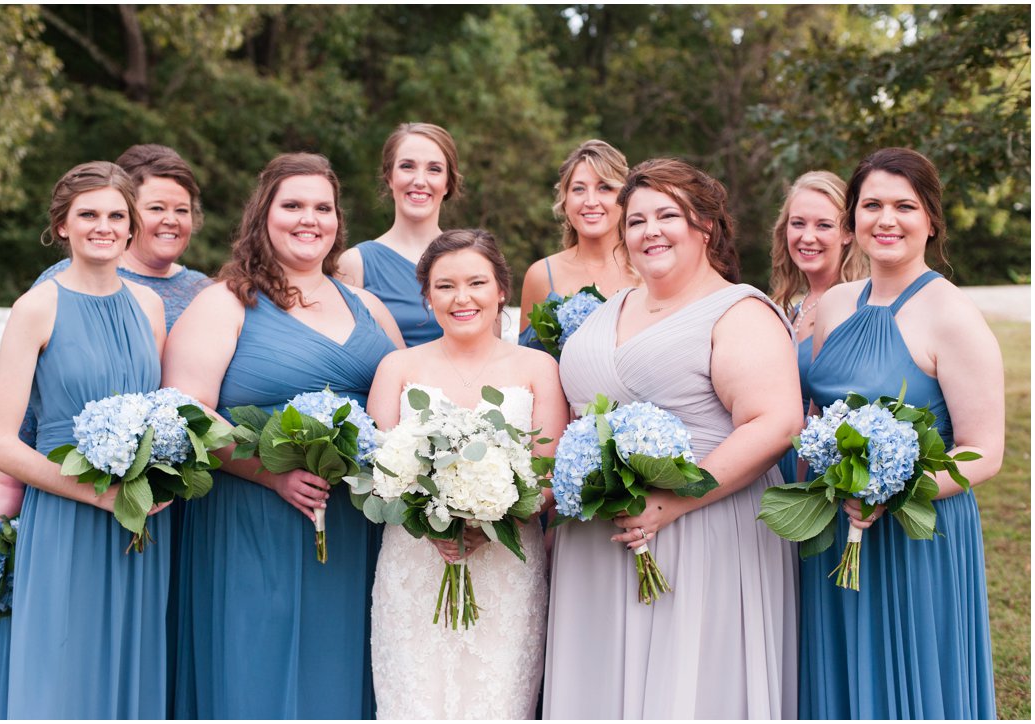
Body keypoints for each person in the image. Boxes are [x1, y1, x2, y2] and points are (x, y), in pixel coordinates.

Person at [544, 158, 803, 718]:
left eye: (668, 215)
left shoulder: (738, 311)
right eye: (636, 221)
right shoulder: (607, 310)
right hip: (597, 542)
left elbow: (776, 423)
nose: (649, 231)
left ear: (705, 226)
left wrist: (672, 503)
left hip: (701, 529)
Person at [163, 153, 402, 719]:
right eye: (292, 205)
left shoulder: (366, 305)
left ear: (338, 221)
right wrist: (269, 473)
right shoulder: (227, 302)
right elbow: (185, 408)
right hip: (253, 513)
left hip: (351, 521)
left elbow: (410, 395)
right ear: (262, 215)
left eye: (322, 207)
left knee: (345, 659)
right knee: (257, 661)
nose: (308, 219)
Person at [0, 144, 212, 719]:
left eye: (115, 216)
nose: (103, 227)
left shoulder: (151, 309)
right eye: (88, 215)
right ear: (61, 225)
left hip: (140, 521)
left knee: (132, 668)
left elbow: (166, 411)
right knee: (63, 670)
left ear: (131, 228)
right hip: (67, 514)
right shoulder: (36, 307)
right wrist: (98, 494)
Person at [801, 147, 1002, 719]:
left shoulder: (951, 314)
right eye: (872, 205)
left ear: (931, 219)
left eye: (904, 206)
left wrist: (894, 492)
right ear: (853, 219)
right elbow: (822, 414)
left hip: (917, 532)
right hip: (837, 527)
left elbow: (984, 451)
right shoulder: (836, 304)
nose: (886, 219)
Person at [366, 229, 568, 719]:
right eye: (445, 286)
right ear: (427, 296)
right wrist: (426, 519)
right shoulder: (397, 367)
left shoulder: (539, 368)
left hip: (506, 570)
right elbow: (376, 470)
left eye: (477, 283)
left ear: (501, 289)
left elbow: (547, 477)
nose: (462, 298)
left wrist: (486, 522)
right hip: (414, 567)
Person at [768, 170, 867, 482]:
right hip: (772, 462)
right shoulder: (792, 307)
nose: (807, 237)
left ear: (848, 233)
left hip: (820, 472)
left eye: (823, 225)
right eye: (798, 223)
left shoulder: (858, 307)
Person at [335, 122, 463, 346]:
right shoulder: (355, 264)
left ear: (448, 183)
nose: (420, 181)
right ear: (389, 177)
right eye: (407, 166)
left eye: (434, 169)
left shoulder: (474, 260)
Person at [518, 139, 639, 348]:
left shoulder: (648, 269)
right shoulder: (541, 274)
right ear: (565, 201)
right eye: (579, 189)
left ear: (624, 199)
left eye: (604, 188)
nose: (591, 201)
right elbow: (527, 363)